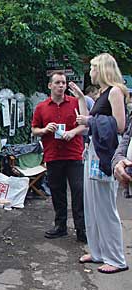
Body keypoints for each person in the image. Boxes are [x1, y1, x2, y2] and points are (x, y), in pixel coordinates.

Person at [70, 53, 130, 274]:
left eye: (94, 68)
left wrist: (91, 121)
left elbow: (121, 125)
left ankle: (116, 258)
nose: (91, 72)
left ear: (103, 69)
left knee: (105, 207)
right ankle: (97, 252)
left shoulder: (114, 91)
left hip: (105, 153)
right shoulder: (102, 93)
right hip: (93, 151)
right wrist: (79, 98)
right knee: (92, 205)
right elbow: (88, 123)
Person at [31, 71, 87, 242]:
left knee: (78, 191)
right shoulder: (41, 107)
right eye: (58, 83)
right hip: (53, 155)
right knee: (57, 191)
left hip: (73, 154)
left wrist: (72, 132)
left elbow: (84, 126)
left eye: (63, 82)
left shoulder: (75, 103)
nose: (61, 86)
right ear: (50, 86)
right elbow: (34, 129)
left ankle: (81, 229)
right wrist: (45, 130)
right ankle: (60, 226)